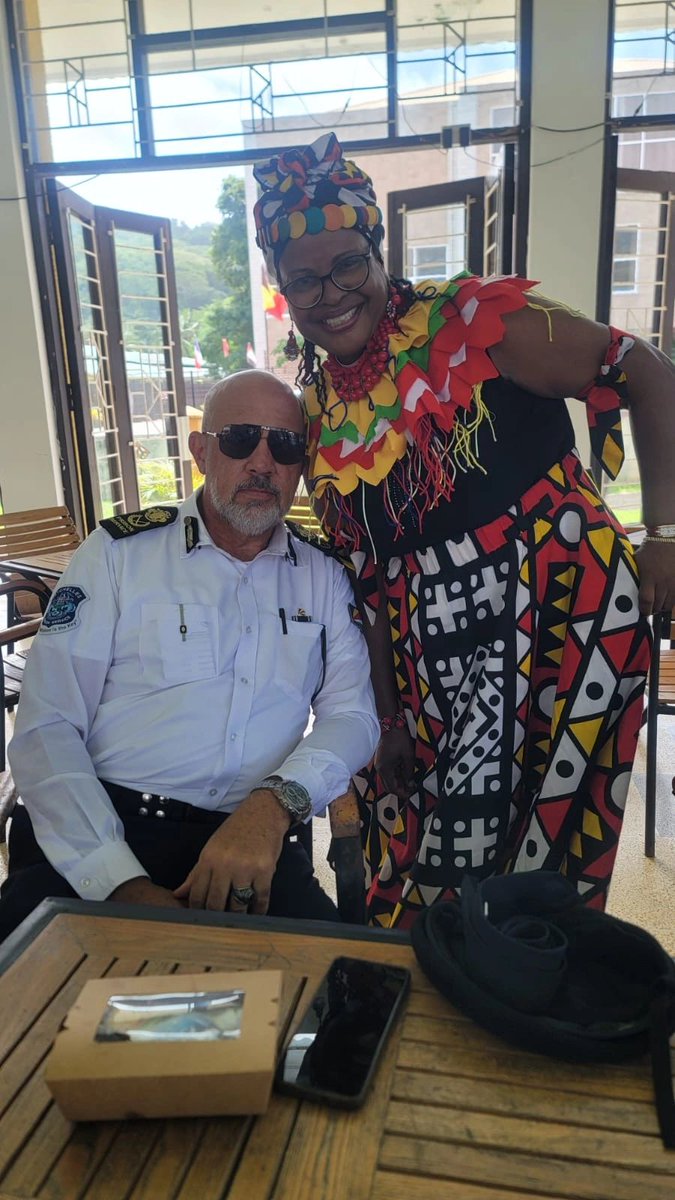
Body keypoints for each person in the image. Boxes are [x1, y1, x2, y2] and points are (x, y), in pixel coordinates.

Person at [252, 131, 675, 930]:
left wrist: (665, 535)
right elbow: (364, 585)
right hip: (434, 672)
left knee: (542, 861)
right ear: (281, 289)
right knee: (420, 864)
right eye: (302, 279)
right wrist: (386, 717)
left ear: (378, 249)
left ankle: (524, 1005)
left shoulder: (473, 321)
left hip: (562, 626)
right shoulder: (321, 417)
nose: (330, 292)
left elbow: (643, 371)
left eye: (347, 263)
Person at [0, 370, 379, 941]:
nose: (262, 461)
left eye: (284, 445)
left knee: (347, 1002)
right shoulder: (118, 556)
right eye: (240, 439)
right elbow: (46, 728)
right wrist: (120, 884)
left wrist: (273, 808)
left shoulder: (322, 577)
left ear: (301, 464)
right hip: (112, 833)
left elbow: (352, 716)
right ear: (202, 451)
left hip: (254, 843)